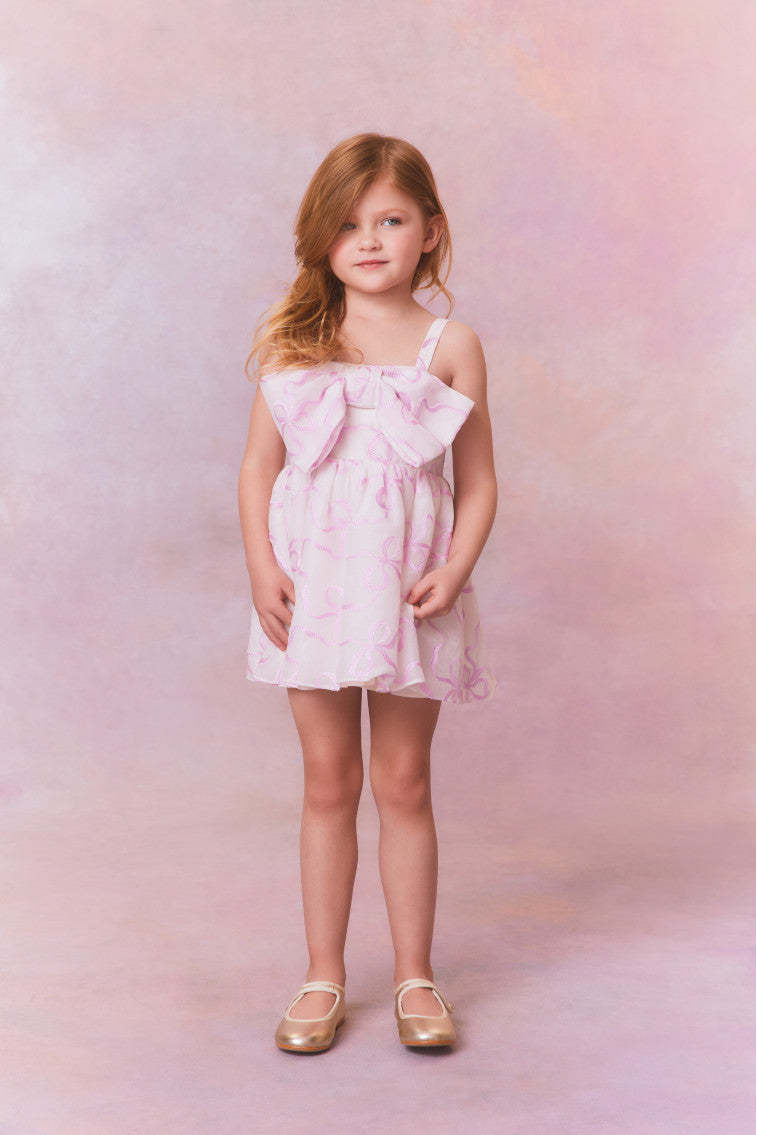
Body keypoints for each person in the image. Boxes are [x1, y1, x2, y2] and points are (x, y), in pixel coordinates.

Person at [238, 133, 498, 1052]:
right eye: (349, 225)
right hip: (310, 589)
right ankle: (322, 975)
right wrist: (262, 568)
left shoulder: (450, 345)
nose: (371, 240)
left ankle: (415, 977)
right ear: (323, 238)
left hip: (407, 593)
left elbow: (479, 482)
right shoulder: (294, 342)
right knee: (327, 780)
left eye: (390, 220)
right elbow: (258, 469)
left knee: (403, 779)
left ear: (430, 230)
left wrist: (454, 568)